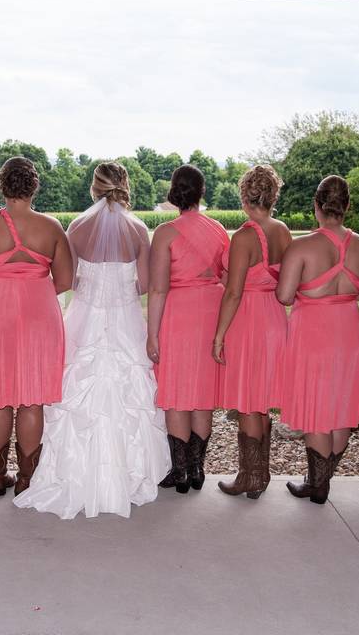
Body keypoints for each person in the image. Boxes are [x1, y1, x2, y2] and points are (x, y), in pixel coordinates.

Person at [14, 162, 170, 519]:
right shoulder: (138, 228)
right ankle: (128, 476)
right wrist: (118, 290)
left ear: (94, 189)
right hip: (125, 318)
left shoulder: (78, 227)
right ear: (125, 187)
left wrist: (96, 290)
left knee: (76, 390)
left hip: (85, 317)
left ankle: (72, 474)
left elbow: (70, 278)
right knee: (128, 393)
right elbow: (145, 285)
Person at [0, 157, 72, 496]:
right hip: (40, 316)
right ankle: (26, 479)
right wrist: (33, 290)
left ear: (3, 185)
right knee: (32, 399)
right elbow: (65, 280)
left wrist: (0, 291)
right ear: (34, 185)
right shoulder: (51, 227)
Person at [276, 175, 359, 504]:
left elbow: (285, 295)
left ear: (317, 206)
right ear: (347, 206)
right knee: (342, 403)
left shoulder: (302, 246)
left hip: (313, 332)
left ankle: (318, 484)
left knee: (317, 405)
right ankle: (320, 477)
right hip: (348, 328)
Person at [148, 164, 229, 494]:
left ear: (173, 192)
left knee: (178, 392)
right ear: (202, 192)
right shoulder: (219, 230)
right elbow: (225, 276)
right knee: (203, 393)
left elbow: (157, 289)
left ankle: (179, 471)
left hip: (178, 314)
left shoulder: (165, 233)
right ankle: (197, 468)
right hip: (210, 309)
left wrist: (152, 333)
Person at [213, 165, 291, 499]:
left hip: (249, 320)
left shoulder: (245, 236)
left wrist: (218, 335)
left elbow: (233, 292)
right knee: (260, 402)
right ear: (273, 196)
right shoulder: (284, 231)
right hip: (274, 318)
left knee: (247, 400)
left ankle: (249, 476)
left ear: (245, 196)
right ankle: (260, 474)